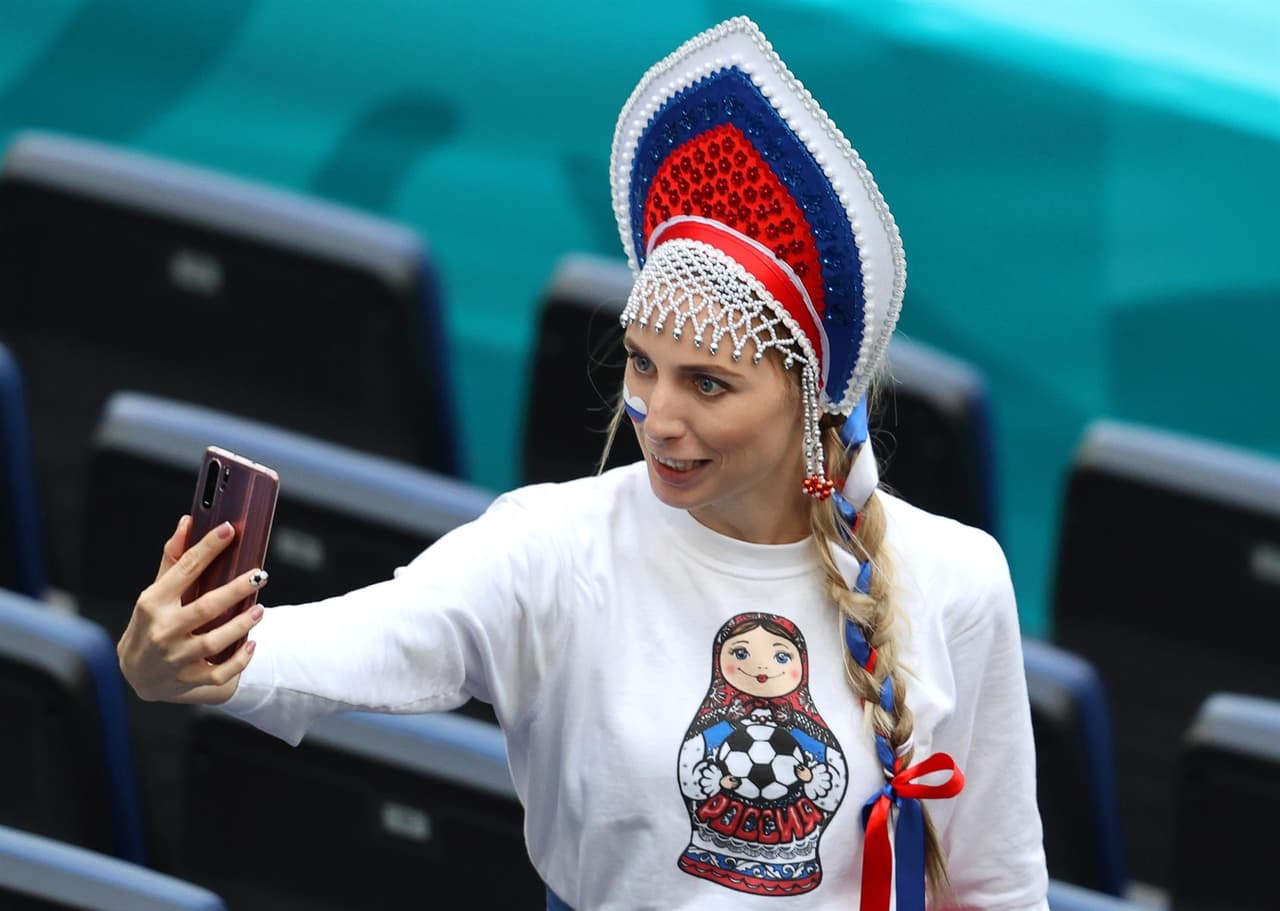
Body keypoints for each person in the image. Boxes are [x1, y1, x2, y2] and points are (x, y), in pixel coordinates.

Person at [118, 16, 1048, 911]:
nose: (658, 416)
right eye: (643, 363)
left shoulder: (957, 582)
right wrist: (206, 658)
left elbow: (1002, 890)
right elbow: (381, 637)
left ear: (810, 399)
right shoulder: (554, 547)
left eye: (710, 385)